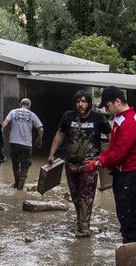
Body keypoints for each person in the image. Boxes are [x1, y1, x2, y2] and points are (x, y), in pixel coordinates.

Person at [83, 86, 136, 243]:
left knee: (130, 223)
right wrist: (101, 157)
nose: (107, 109)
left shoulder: (129, 121)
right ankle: (129, 258)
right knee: (125, 219)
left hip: (131, 177)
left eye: (107, 105)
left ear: (117, 102)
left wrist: (99, 162)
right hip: (125, 175)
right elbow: (114, 147)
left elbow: (120, 153)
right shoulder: (121, 118)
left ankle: (132, 262)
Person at [47, 90, 111, 237]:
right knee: (75, 197)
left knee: (86, 196)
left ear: (89, 103)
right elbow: (59, 135)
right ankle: (81, 222)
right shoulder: (68, 116)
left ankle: (84, 228)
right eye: (78, 101)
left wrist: (107, 156)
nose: (80, 104)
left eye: (83, 101)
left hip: (90, 165)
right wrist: (52, 153)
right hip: (71, 164)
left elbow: (111, 136)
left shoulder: (98, 118)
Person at [1, 98, 43, 190]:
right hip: (26, 144)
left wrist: (1, 137)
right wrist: (39, 140)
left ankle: (16, 183)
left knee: (15, 164)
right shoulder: (32, 115)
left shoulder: (13, 112)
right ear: (29, 106)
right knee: (25, 165)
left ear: (21, 104)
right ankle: (20, 187)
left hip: (14, 143)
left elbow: (4, 124)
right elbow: (41, 129)